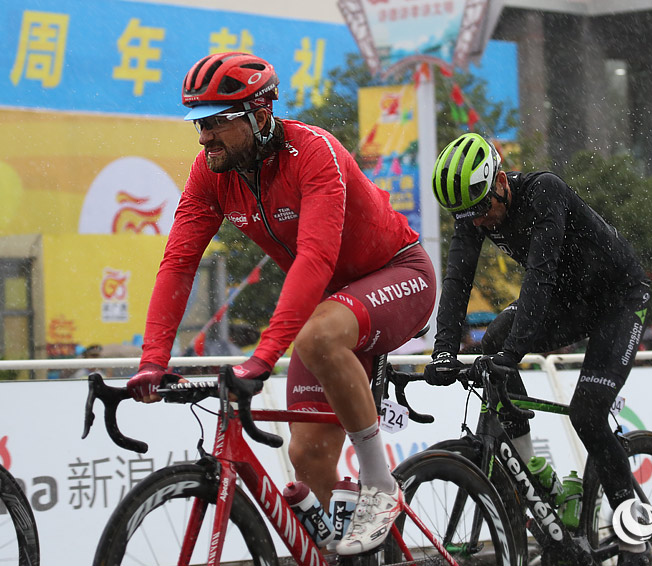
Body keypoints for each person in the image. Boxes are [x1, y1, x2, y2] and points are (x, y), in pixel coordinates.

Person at [126, 52, 435, 555]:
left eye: (215, 123)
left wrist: (262, 360)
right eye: (197, 123)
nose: (203, 137)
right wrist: (152, 361)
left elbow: (314, 258)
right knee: (309, 457)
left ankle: (381, 484)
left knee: (316, 333)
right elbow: (179, 264)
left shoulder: (313, 151)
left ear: (260, 114)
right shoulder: (212, 173)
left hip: (398, 274)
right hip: (331, 304)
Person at [424, 133, 652, 565]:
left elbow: (540, 279)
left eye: (483, 212)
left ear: (499, 183)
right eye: (467, 218)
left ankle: (634, 535)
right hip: (569, 301)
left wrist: (513, 354)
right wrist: (442, 352)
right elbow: (456, 283)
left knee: (587, 413)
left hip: (617, 301)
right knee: (491, 340)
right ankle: (536, 480)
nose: (479, 224)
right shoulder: (474, 213)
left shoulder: (544, 191)